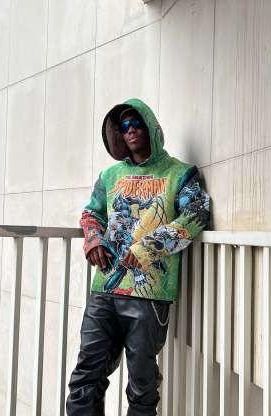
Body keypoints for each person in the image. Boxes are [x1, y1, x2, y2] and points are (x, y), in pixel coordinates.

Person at [66, 98, 210, 416]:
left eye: (136, 123)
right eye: (124, 126)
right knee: (86, 376)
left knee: (142, 385)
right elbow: (91, 213)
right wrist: (93, 240)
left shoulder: (180, 174)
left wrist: (149, 247)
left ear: (151, 127)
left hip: (149, 293)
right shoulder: (110, 176)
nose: (130, 130)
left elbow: (197, 214)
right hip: (105, 288)